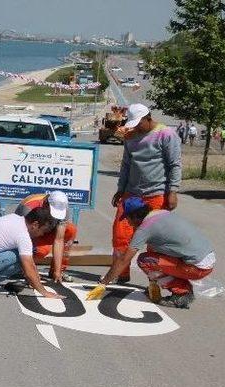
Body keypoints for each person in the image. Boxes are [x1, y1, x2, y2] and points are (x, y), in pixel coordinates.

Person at [87, 197, 216, 309]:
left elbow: (124, 260)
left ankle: (182, 293)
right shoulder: (161, 213)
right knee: (154, 255)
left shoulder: (145, 228)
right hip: (206, 258)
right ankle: (179, 286)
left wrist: (104, 283)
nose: (128, 223)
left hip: (197, 267)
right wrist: (153, 283)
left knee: (145, 261)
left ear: (135, 216)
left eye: (128, 219)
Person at [111, 103, 181, 283]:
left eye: (138, 123)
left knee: (155, 239)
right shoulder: (130, 136)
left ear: (148, 118)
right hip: (131, 193)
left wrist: (173, 191)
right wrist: (120, 189)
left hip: (157, 194)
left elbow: (174, 164)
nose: (135, 127)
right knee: (121, 234)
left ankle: (156, 278)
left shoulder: (166, 134)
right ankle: (121, 273)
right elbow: (126, 165)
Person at [0, 208, 64, 299]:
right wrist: (44, 292)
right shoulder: (23, 236)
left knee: (24, 254)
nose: (42, 235)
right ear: (35, 225)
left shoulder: (14, 218)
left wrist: (35, 276)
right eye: (43, 231)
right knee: (23, 258)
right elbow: (29, 268)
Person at [14, 191, 77, 283]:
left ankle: (56, 272)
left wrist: (57, 270)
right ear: (46, 203)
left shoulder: (63, 208)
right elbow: (21, 235)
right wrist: (31, 271)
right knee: (41, 251)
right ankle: (22, 267)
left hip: (45, 230)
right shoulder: (29, 207)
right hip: (27, 233)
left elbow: (59, 240)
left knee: (71, 229)